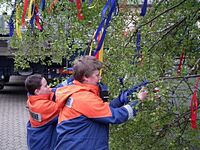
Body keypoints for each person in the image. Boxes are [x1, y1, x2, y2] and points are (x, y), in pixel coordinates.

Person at [54, 55, 148, 150]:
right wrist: (138, 102)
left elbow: (101, 110)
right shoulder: (83, 98)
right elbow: (115, 116)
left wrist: (124, 97)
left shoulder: (76, 92)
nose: (100, 78)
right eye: (97, 75)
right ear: (85, 77)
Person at [25, 74, 60, 150]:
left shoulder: (31, 100)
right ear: (37, 91)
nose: (49, 88)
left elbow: (51, 92)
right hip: (43, 144)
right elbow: (64, 108)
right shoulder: (43, 106)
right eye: (46, 86)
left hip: (35, 141)